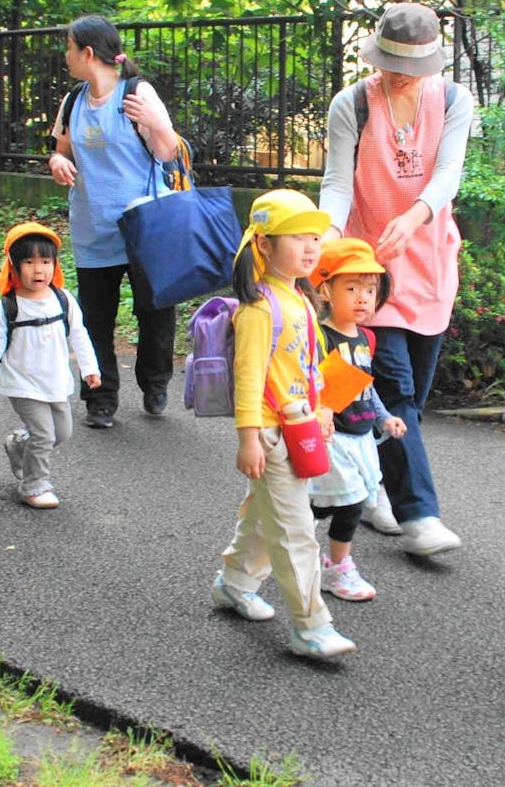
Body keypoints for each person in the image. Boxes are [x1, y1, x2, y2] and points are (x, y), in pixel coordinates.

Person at [318, 2, 475, 555]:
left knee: (414, 394)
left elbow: (448, 172)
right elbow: (337, 181)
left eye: (410, 63)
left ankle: (374, 483)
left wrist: (413, 218)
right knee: (396, 387)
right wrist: (328, 238)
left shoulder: (455, 100)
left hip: (430, 259)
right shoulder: (352, 104)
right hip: (368, 267)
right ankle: (420, 517)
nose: (399, 72)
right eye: (389, 61)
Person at [210, 189, 356, 659]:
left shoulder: (299, 299)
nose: (311, 246)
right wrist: (248, 438)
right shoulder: (259, 309)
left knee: (262, 516)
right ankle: (311, 626)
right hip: (272, 435)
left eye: (315, 237)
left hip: (298, 427)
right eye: (298, 237)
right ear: (265, 245)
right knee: (295, 531)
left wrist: (321, 412)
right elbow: (249, 378)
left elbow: (307, 369)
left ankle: (234, 584)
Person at [46, 14, 180, 429]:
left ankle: (155, 384)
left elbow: (168, 151)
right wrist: (56, 162)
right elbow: (61, 150)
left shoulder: (137, 93)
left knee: (155, 311)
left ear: (88, 53)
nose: (65, 56)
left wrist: (156, 122)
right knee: (95, 320)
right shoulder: (73, 101)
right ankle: (100, 398)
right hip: (93, 227)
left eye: (69, 48)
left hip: (145, 227)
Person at [0, 223, 102, 510]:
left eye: (45, 262)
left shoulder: (64, 301)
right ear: (14, 267)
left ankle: (18, 444)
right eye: (29, 262)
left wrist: (90, 369)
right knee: (44, 435)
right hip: (22, 384)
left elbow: (79, 335)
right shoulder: (7, 307)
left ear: (55, 265)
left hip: (56, 382)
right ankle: (33, 486)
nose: (38, 270)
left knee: (62, 433)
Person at [307, 238, 408, 602]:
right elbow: (312, 384)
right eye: (351, 288)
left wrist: (383, 418)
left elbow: (365, 386)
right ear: (325, 290)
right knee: (346, 504)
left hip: (362, 434)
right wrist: (321, 414)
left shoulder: (366, 338)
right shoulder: (320, 336)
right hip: (334, 437)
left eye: (370, 289)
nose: (363, 297)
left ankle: (306, 548)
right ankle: (338, 567)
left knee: (333, 502)